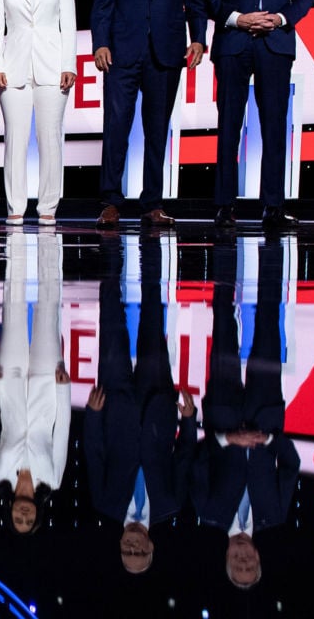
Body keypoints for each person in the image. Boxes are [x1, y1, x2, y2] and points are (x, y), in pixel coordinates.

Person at [91, 0, 207, 229]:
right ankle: (110, 202)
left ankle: (152, 204)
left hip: (166, 53)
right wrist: (100, 43)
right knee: (116, 128)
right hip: (122, 54)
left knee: (157, 130)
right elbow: (103, 4)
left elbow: (195, 2)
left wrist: (198, 39)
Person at [203, 0, 314, 229]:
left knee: (274, 128)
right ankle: (224, 207)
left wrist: (281, 18)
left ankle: (274, 208)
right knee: (230, 125)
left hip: (275, 44)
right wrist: (239, 18)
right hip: (234, 44)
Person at [85, 233, 197, 573]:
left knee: (112, 320)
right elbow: (185, 455)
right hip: (157, 403)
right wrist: (189, 419)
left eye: (126, 552)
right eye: (139, 553)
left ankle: (110, 245)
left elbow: (94, 452)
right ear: (151, 547)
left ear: (120, 545)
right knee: (152, 315)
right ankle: (151, 245)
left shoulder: (105, 504)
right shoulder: (170, 505)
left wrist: (92, 415)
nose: (132, 547)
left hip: (114, 406)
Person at [194, 237, 296, 589]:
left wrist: (227, 439)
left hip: (222, 411)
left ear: (226, 558)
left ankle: (225, 249)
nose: (242, 559)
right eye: (248, 564)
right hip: (266, 411)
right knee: (268, 322)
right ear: (257, 558)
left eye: (236, 564)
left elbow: (197, 463)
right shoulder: (276, 515)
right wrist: (268, 440)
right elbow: (292, 464)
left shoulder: (208, 513)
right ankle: (272, 250)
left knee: (223, 322)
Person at [0, 0, 76, 225]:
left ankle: (48, 207)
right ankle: (15, 206)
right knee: (15, 138)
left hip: (53, 67)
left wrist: (69, 65)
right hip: (13, 70)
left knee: (50, 137)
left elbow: (69, 24)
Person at [0, 231, 70, 534]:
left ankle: (15, 235)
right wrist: (63, 390)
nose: (23, 515)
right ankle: (49, 238)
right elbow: (62, 432)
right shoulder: (53, 479)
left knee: (14, 308)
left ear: (10, 512)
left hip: (9, 385)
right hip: (47, 389)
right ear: (37, 514)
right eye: (28, 520)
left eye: (17, 520)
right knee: (48, 310)